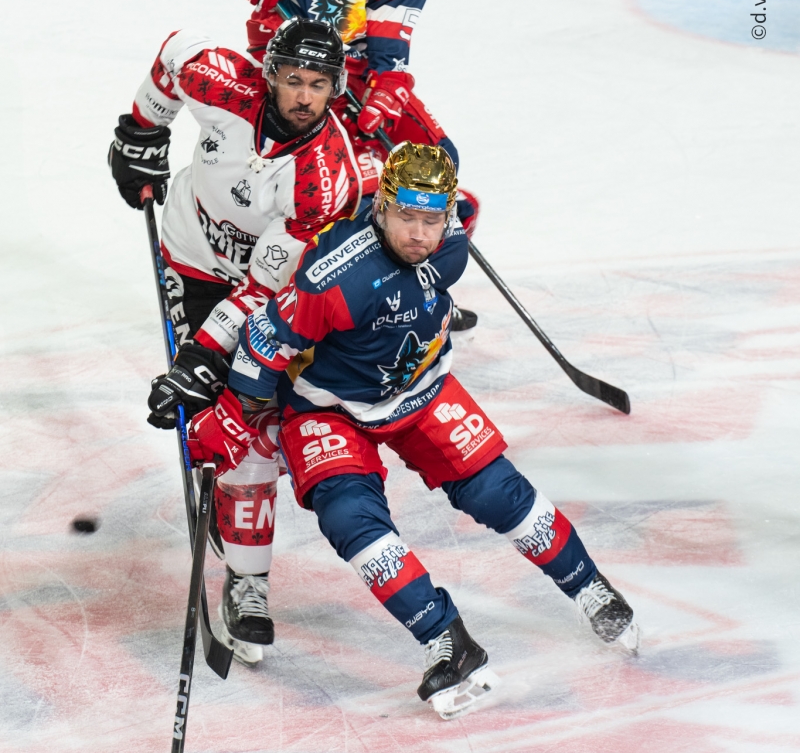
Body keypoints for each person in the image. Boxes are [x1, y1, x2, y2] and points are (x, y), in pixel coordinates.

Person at [186, 142, 639, 718]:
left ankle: (589, 585)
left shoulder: (452, 241)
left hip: (421, 389)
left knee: (498, 491)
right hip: (327, 406)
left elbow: (458, 203)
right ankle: (446, 639)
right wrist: (232, 414)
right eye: (406, 217)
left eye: (432, 219)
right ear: (381, 209)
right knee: (348, 516)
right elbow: (261, 347)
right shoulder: (334, 278)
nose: (419, 234)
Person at [108, 17, 362, 663]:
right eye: (293, 80)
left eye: (319, 84)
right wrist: (143, 127)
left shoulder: (326, 178)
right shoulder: (221, 80)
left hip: (267, 295)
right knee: (209, 416)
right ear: (269, 74)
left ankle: (246, 578)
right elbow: (172, 54)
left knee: (252, 422)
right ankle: (234, 538)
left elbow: (262, 288)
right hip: (190, 257)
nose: (305, 97)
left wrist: (203, 354)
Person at [204, 0, 480, 329]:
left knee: (436, 162)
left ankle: (407, 288)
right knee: (332, 181)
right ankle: (312, 293)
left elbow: (397, 7)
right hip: (286, 60)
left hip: (353, 65)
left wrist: (389, 74)